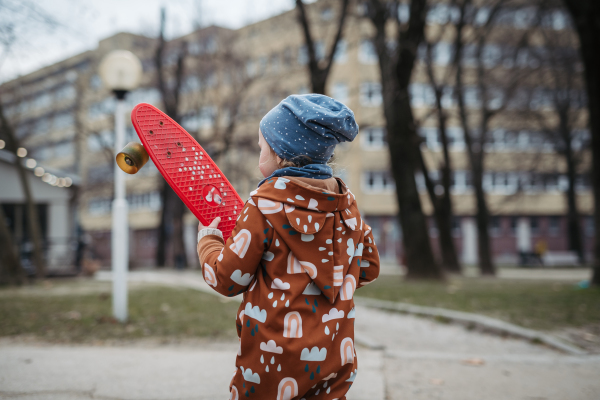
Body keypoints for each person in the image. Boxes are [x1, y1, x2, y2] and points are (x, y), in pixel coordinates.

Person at [197, 94, 380, 400]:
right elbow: (368, 269)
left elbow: (226, 279)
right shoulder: (346, 204)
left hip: (270, 363)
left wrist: (209, 241)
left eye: (261, 148)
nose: (259, 156)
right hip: (334, 358)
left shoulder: (263, 203)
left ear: (281, 154)